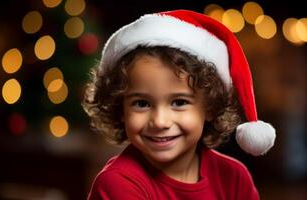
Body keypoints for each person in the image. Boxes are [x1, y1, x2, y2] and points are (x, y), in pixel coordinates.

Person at [82, 10, 276, 199]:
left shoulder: (234, 176)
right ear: (121, 107)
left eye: (179, 102)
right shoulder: (118, 183)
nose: (160, 122)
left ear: (209, 106)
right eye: (141, 103)